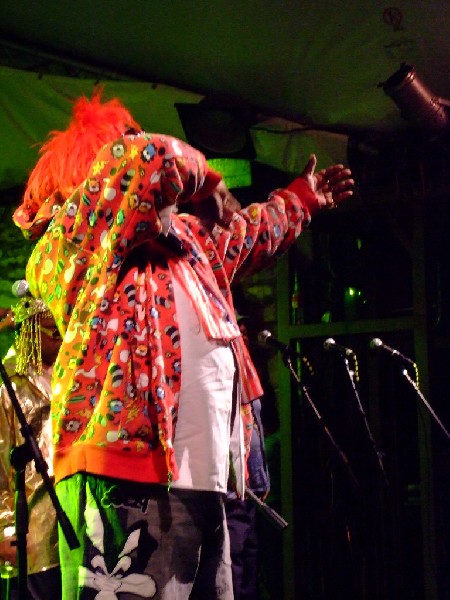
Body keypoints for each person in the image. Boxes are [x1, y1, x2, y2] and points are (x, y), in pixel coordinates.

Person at [13, 92, 353, 599]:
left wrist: (301, 199)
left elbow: (245, 234)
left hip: (204, 479)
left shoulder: (183, 245)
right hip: (125, 476)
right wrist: (209, 180)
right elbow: (146, 160)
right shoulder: (73, 245)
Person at [0, 280, 62, 599]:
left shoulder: (74, 375)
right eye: (52, 329)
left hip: (74, 522)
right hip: (33, 532)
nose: (61, 337)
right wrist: (4, 526)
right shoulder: (8, 384)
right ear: (30, 330)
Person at [225, 315, 271, 600]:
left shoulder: (249, 377)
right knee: (236, 561)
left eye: (245, 325)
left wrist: (262, 476)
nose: (243, 330)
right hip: (233, 487)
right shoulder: (226, 376)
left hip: (252, 486)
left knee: (250, 557)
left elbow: (256, 429)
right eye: (237, 324)